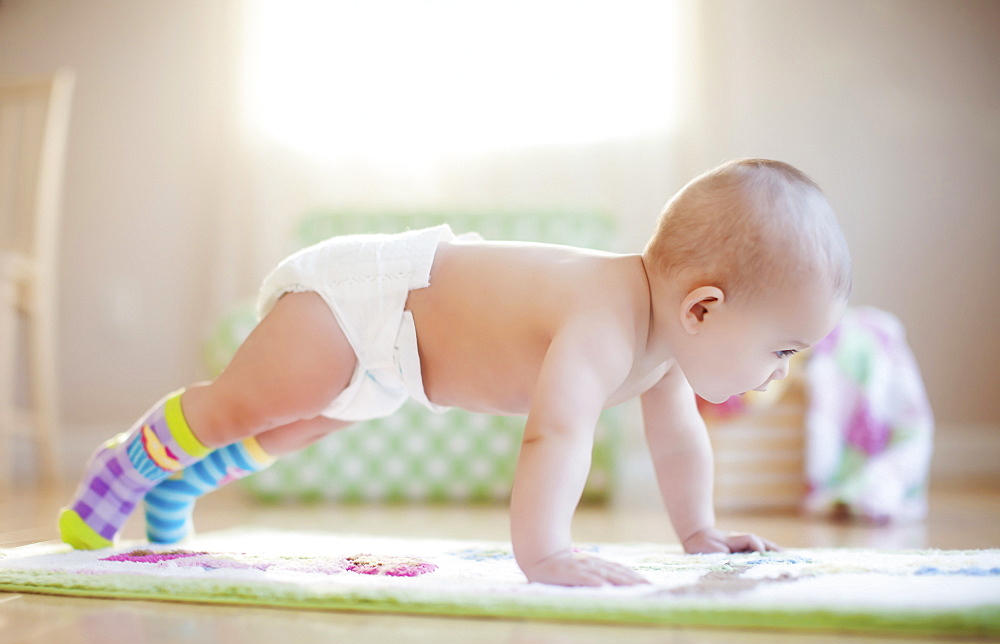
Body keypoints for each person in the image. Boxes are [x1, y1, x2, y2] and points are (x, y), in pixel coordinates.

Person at [58, 158, 851, 587]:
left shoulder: (664, 350)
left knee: (296, 428)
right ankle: (123, 464)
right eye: (780, 351)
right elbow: (555, 433)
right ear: (703, 309)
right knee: (246, 407)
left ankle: (177, 485)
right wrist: (544, 552)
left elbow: (680, 448)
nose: (776, 376)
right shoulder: (604, 320)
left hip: (399, 359)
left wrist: (698, 532)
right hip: (362, 299)